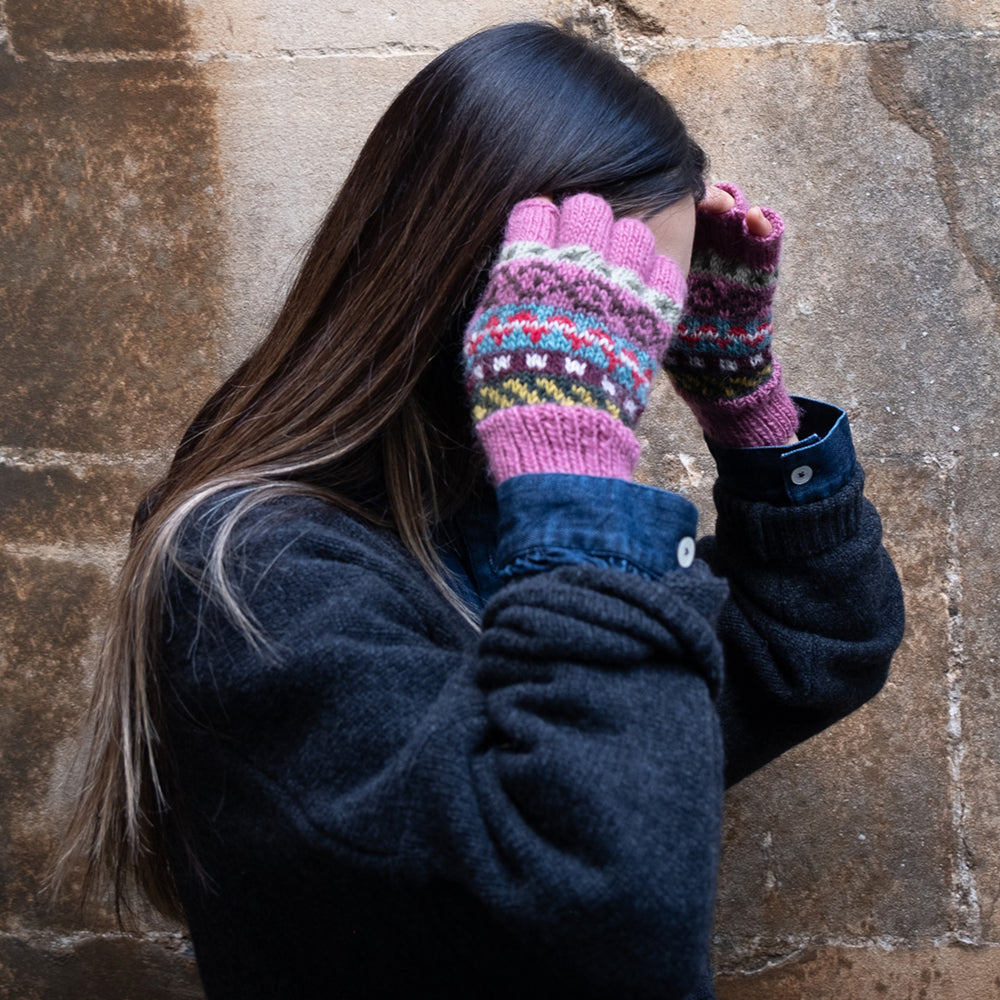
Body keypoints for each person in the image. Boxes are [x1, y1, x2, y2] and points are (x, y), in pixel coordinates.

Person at [54, 21, 905, 1000]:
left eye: (655, 313)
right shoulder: (250, 567)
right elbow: (608, 906)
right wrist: (578, 468)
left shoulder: (486, 522)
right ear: (482, 286)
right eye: (615, 308)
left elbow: (814, 651)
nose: (637, 349)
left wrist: (744, 405)